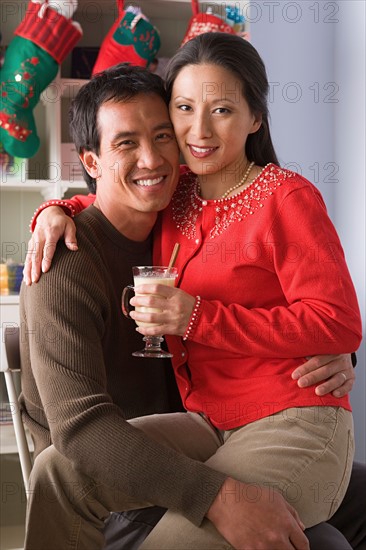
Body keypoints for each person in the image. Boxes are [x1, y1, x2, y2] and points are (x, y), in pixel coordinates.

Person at [23, 38, 363, 550]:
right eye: (184, 110)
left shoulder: (276, 196)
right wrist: (53, 212)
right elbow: (114, 190)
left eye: (221, 110)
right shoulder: (175, 194)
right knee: (55, 470)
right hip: (199, 427)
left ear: (255, 119)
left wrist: (200, 318)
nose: (197, 132)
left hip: (285, 418)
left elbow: (337, 322)